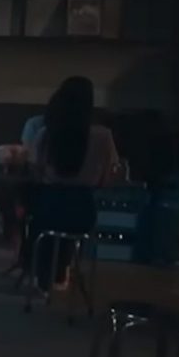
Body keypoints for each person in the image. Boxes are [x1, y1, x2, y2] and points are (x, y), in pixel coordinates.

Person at [26, 76, 118, 288]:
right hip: (83, 210)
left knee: (38, 222)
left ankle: (42, 277)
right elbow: (108, 175)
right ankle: (62, 273)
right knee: (71, 231)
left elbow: (35, 170)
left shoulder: (46, 133)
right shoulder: (103, 136)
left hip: (49, 207)